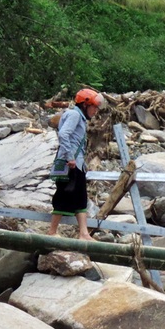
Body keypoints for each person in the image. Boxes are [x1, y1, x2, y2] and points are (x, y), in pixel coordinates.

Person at [48, 88, 102, 240]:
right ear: (85, 105)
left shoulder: (79, 117)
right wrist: (70, 157)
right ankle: (52, 231)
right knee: (63, 195)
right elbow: (64, 134)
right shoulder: (74, 115)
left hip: (77, 164)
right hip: (69, 164)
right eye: (94, 106)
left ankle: (83, 233)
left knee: (80, 198)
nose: (96, 110)